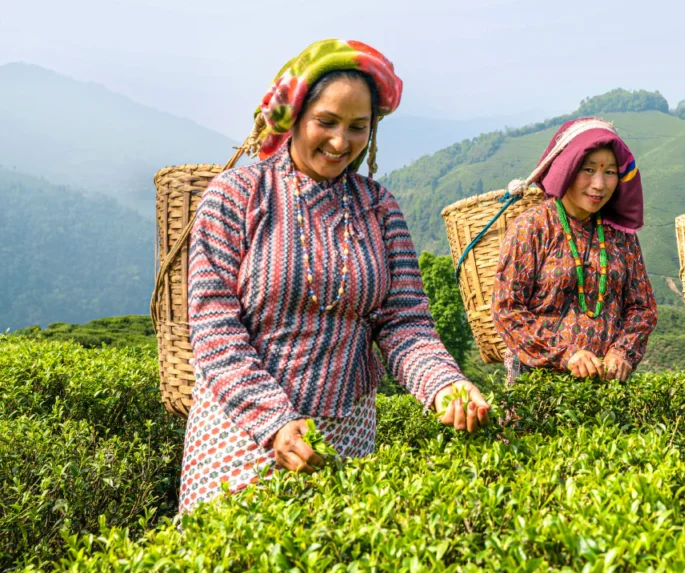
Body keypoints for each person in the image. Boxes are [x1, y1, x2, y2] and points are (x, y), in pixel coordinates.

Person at [180, 39, 489, 513]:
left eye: (357, 127)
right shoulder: (236, 196)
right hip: (241, 429)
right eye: (326, 122)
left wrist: (444, 383)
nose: (341, 142)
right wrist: (274, 420)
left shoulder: (379, 207)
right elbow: (214, 328)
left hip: (347, 433)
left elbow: (406, 323)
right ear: (294, 117)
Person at [492, 118, 658, 385]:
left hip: (606, 390)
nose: (599, 185)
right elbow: (507, 309)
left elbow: (643, 307)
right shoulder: (533, 227)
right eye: (588, 170)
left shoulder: (621, 235)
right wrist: (566, 355)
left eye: (610, 172)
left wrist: (622, 352)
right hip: (539, 389)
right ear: (566, 169)